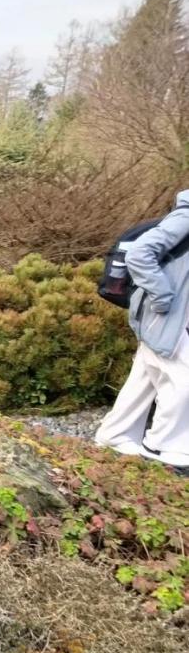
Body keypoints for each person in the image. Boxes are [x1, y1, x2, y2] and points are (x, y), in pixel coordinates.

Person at [95, 190, 189, 473]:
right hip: (168, 316)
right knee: (182, 382)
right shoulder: (186, 216)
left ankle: (115, 436)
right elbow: (139, 253)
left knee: (145, 376)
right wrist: (162, 297)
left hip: (166, 317)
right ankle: (165, 449)